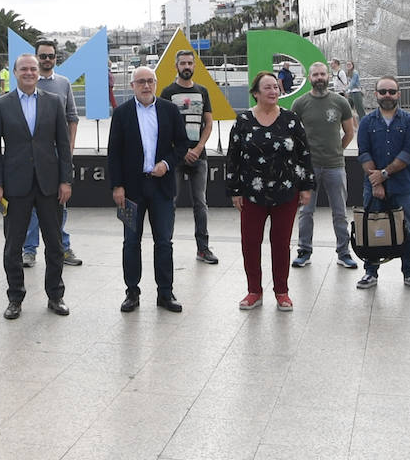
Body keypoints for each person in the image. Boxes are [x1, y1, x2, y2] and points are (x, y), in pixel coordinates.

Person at [0, 53, 73, 319]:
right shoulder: (1, 105)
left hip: (49, 184)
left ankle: (56, 296)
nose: (29, 73)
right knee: (13, 246)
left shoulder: (55, 102)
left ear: (39, 73)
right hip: (14, 185)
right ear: (14, 72)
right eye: (23, 68)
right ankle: (15, 298)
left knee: (55, 245)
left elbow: (63, 145)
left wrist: (65, 180)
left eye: (33, 69)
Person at [226, 71, 313, 311]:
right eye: (268, 87)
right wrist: (235, 190)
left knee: (281, 242)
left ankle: (282, 291)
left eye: (276, 87)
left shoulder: (291, 119)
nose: (274, 91)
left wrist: (306, 187)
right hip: (252, 194)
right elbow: (233, 157)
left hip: (286, 192)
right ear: (256, 93)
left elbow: (304, 154)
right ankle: (254, 290)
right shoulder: (243, 121)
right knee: (250, 242)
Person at [108, 66, 189, 313]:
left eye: (150, 81)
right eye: (140, 82)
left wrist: (166, 164)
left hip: (162, 188)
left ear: (156, 83)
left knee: (164, 241)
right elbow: (114, 153)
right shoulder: (122, 113)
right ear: (132, 85)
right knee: (130, 242)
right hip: (131, 190)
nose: (146, 86)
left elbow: (182, 144)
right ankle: (132, 292)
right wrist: (117, 186)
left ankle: (165, 293)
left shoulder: (169, 110)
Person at [355, 76, 410, 291]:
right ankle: (370, 272)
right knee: (372, 229)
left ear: (399, 94)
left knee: (406, 230)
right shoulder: (367, 122)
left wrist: (384, 174)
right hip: (373, 187)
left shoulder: (409, 121)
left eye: (392, 91)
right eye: (383, 91)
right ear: (375, 94)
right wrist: (375, 182)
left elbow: (408, 153)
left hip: (401, 186)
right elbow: (363, 152)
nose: (388, 95)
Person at [291, 62, 358, 270]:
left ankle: (344, 252)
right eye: (315, 74)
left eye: (322, 74)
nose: (319, 77)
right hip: (309, 168)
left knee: (339, 212)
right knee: (306, 212)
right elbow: (293, 136)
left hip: (335, 166)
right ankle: (304, 251)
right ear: (309, 77)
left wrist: (337, 150)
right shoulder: (299, 104)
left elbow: (349, 132)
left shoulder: (340, 102)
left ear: (328, 76)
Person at [22, 39, 82, 267]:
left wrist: (70, 148)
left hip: (58, 156)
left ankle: (62, 247)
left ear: (56, 58)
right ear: (37, 57)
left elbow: (72, 118)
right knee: (31, 204)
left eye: (51, 56)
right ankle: (29, 250)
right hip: (32, 157)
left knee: (61, 204)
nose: (47, 59)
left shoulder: (64, 84)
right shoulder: (26, 84)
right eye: (43, 56)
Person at [160, 49, 218, 264]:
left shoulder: (202, 91)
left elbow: (209, 123)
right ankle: (166, 246)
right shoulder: (167, 92)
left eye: (189, 63)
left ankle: (203, 249)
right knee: (170, 202)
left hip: (199, 157)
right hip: (175, 158)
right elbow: (163, 126)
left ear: (194, 66)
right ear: (176, 66)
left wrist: (198, 148)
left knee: (200, 203)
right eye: (182, 63)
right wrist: (181, 151)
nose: (186, 66)